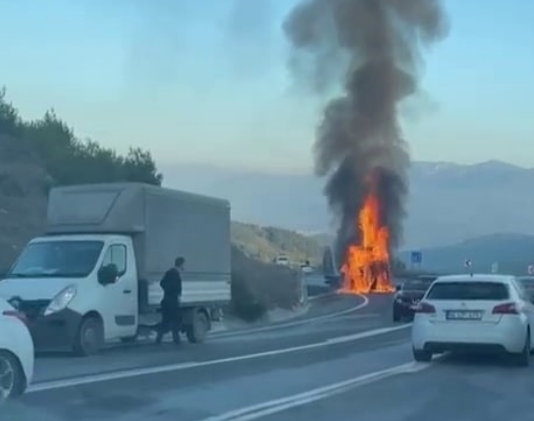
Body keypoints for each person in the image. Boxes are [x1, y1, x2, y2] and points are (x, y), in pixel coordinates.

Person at [155, 256, 184, 345]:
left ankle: (159, 338)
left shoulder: (169, 272)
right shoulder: (176, 274)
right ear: (181, 264)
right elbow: (177, 288)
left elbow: (162, 283)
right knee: (175, 321)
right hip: (173, 301)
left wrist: (166, 290)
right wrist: (175, 293)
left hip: (166, 300)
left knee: (166, 321)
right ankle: (176, 340)